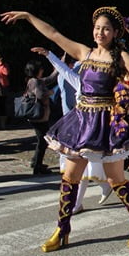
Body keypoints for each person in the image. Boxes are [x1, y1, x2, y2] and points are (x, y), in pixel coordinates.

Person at [1, 7, 129, 251]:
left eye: (105, 28)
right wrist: (29, 17)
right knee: (69, 178)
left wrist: (125, 108)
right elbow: (53, 34)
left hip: (106, 126)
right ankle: (62, 231)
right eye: (97, 28)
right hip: (82, 122)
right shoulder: (85, 52)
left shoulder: (121, 57)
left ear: (115, 32)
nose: (100, 32)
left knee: (116, 179)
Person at [31, 47, 114, 210]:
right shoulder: (78, 81)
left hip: (94, 130)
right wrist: (49, 54)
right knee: (74, 167)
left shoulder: (105, 85)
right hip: (75, 128)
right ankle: (78, 202)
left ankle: (102, 187)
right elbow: (63, 70)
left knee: (94, 165)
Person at [23, 59, 56, 174]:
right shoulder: (34, 82)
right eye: (40, 68)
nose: (42, 70)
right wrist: (51, 92)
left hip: (40, 116)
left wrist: (59, 66)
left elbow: (50, 79)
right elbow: (41, 95)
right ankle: (37, 166)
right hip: (38, 116)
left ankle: (36, 161)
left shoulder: (37, 80)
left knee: (42, 139)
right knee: (43, 140)